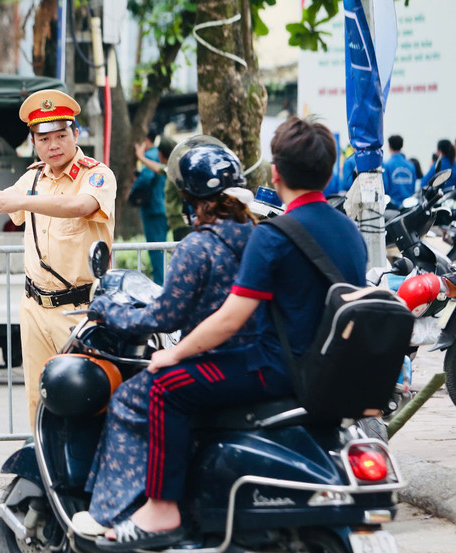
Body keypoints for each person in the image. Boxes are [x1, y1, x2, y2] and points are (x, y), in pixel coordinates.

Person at [95, 117, 368, 551]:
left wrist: (174, 354)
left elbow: (230, 319)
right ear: (329, 170)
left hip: (276, 368)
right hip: (328, 369)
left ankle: (162, 510)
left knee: (164, 387)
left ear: (275, 174)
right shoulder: (349, 231)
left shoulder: (274, 236)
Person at [75, 138, 257, 537]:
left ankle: (111, 511)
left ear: (190, 198)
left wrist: (109, 311)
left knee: (128, 400)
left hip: (213, 362)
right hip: (255, 362)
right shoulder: (256, 237)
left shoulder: (198, 247)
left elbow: (163, 316)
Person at [0, 89, 117, 423]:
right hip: (35, 306)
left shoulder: (95, 174)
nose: (54, 145)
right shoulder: (33, 177)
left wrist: (22, 201)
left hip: (81, 309)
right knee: (40, 396)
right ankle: (43, 454)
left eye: (61, 135)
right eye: (44, 138)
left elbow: (80, 205)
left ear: (76, 134)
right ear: (33, 142)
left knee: (87, 395)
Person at [130, 130, 169, 285]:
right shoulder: (157, 154)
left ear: (146, 140)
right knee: (162, 248)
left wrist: (133, 193)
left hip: (153, 209)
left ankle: (159, 285)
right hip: (163, 207)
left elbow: (146, 178)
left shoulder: (150, 155)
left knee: (156, 250)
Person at [382, 135, 417, 207]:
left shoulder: (387, 165)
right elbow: (413, 188)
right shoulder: (411, 166)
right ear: (402, 145)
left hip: (393, 207)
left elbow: (385, 187)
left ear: (389, 146)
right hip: (409, 207)